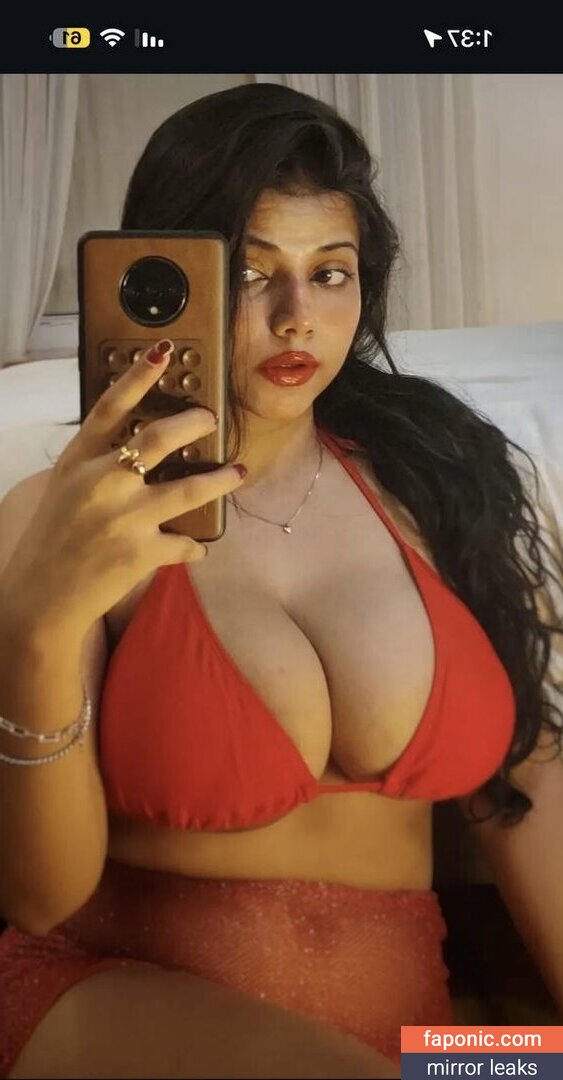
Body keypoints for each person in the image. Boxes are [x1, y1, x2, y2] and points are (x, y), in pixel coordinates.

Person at [0, 81, 562, 1079]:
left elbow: (526, 774)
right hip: (101, 1005)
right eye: (250, 273)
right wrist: (36, 628)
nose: (297, 318)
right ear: (165, 279)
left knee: (528, 1070)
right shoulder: (65, 518)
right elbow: (39, 898)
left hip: (413, 1052)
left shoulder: (432, 476)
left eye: (329, 273)